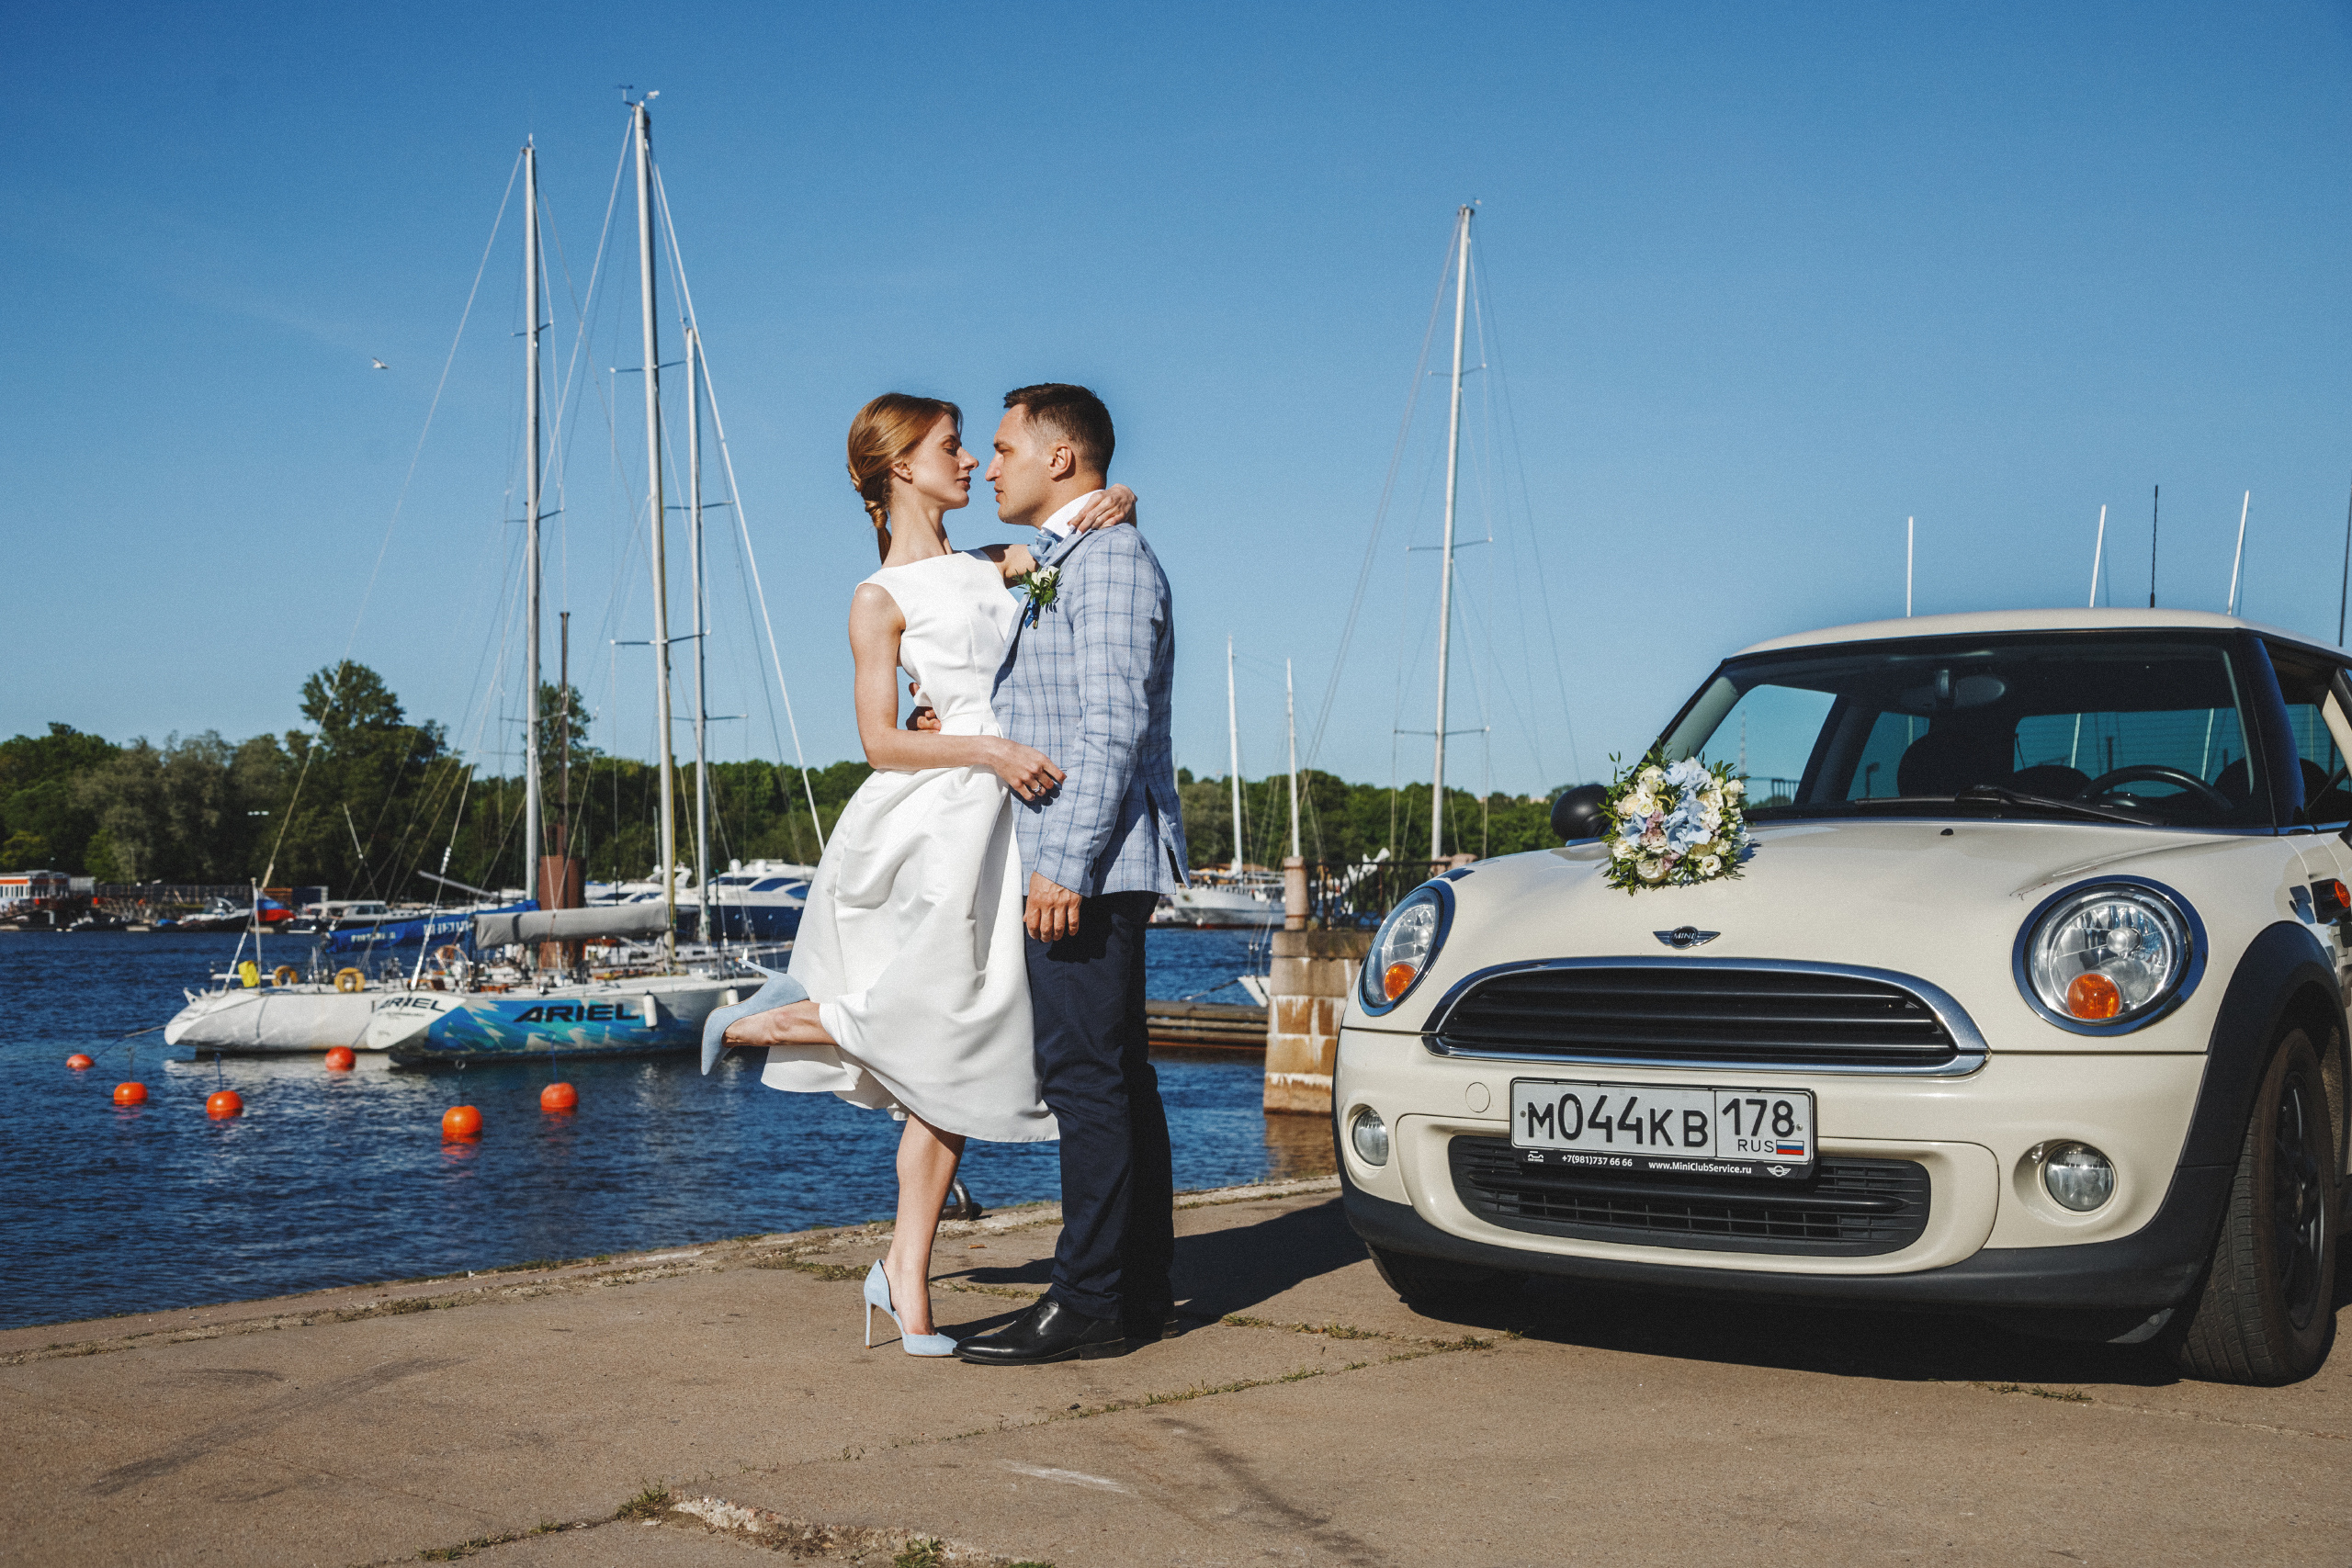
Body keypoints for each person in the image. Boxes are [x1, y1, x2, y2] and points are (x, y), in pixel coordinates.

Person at [704, 392, 1134, 1357]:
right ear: (902, 464)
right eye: (952, 448)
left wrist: (1120, 499)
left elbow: (1081, 543)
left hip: (1015, 813)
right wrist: (985, 750)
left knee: (962, 1059)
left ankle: (904, 1272)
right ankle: (759, 1022)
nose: (974, 464)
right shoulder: (877, 598)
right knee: (944, 1024)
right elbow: (880, 741)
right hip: (946, 819)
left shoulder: (998, 562)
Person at [950, 383, 1190, 1367]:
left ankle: (1087, 1300)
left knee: (1086, 1082)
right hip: (1078, 860)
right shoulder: (1071, 553)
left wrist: (1063, 868)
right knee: (1117, 1081)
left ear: (1059, 458)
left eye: (1003, 449)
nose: (989, 466)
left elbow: (1113, 728)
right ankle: (1132, 1293)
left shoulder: (1112, 563)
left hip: (1088, 863)